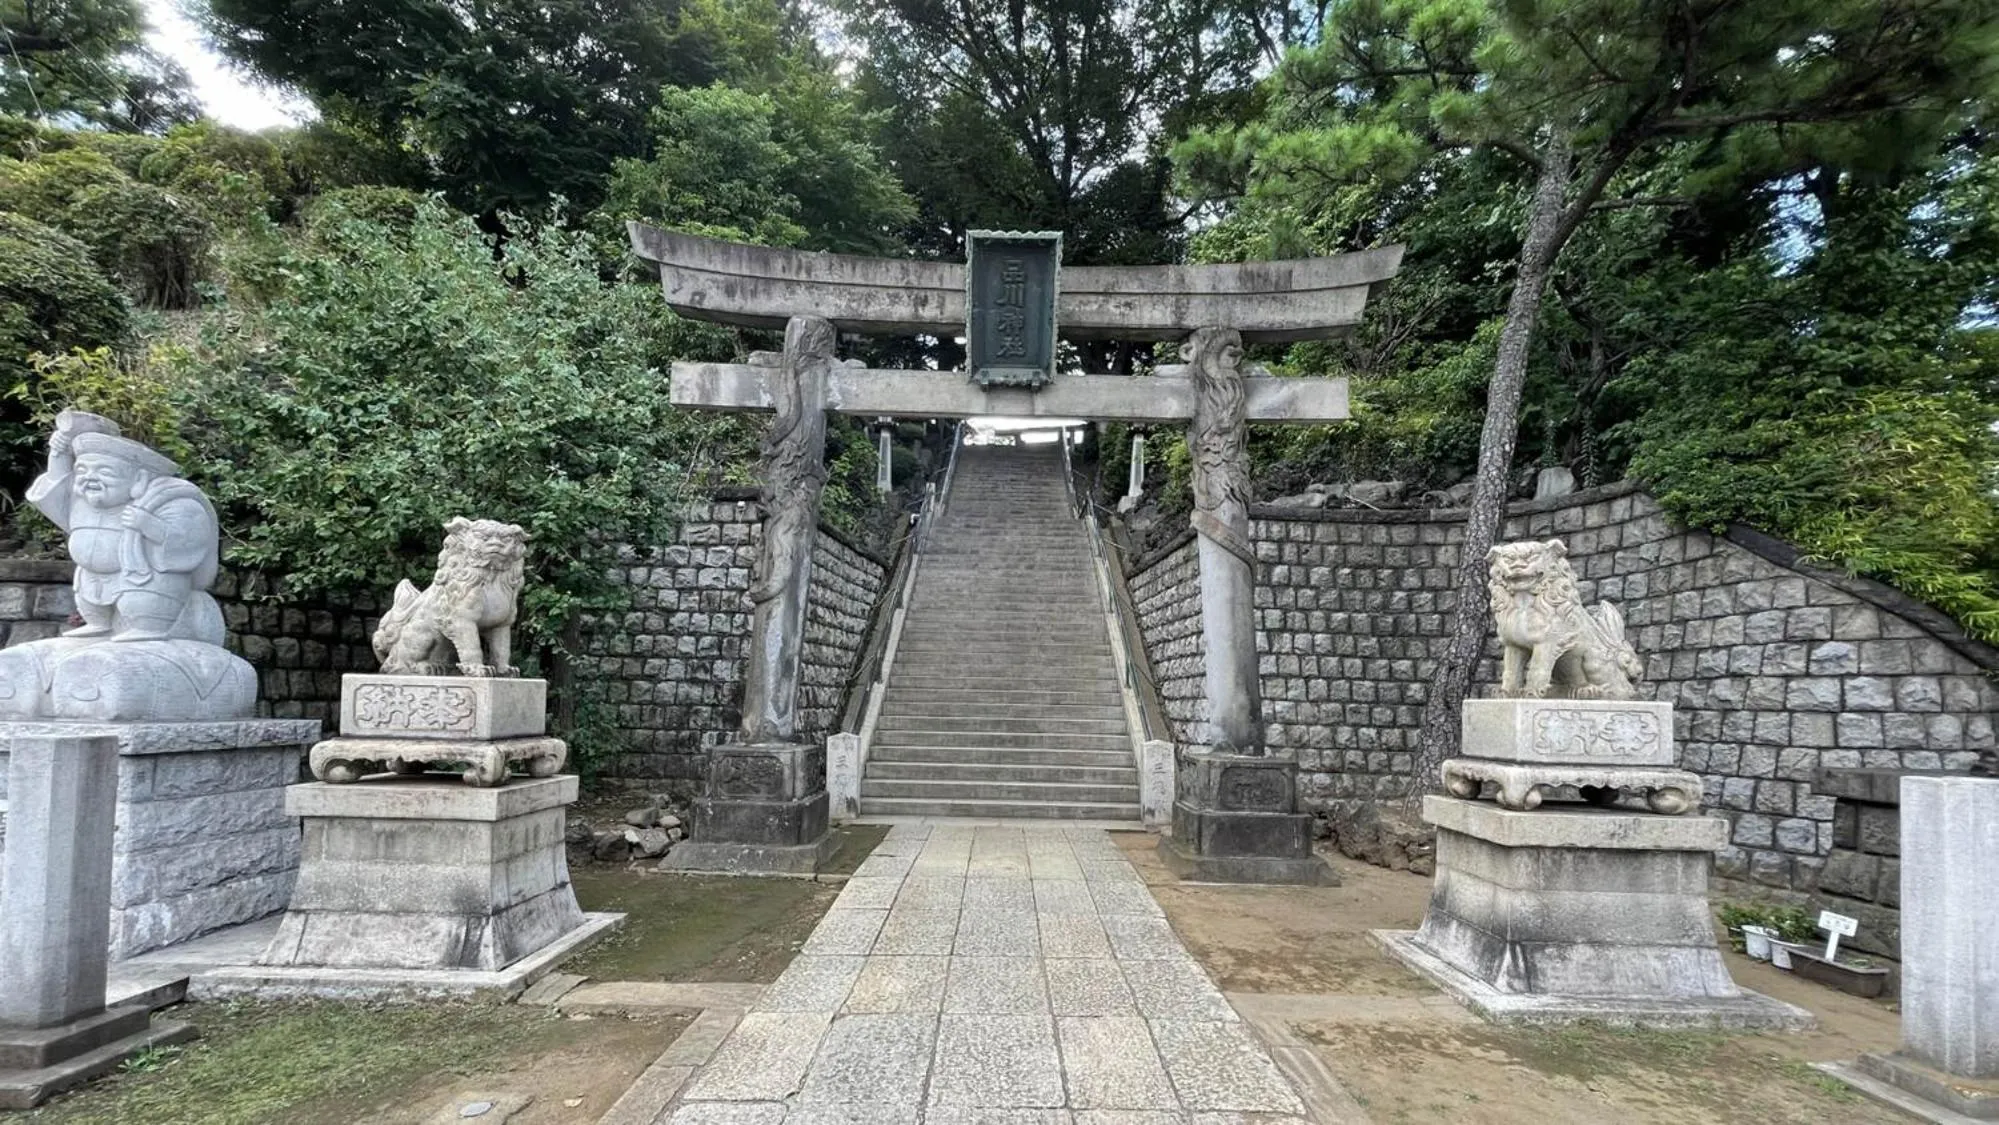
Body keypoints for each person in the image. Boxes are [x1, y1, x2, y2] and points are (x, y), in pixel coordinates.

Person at [25, 420, 221, 643]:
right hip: (92, 577)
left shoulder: (168, 500)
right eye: (82, 469)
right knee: (89, 594)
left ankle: (149, 627)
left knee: (144, 600)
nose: (90, 477)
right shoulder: (83, 501)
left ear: (138, 479)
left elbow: (189, 539)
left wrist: (149, 525)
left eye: (104, 471)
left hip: (141, 578)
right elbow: (56, 490)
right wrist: (59, 453)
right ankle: (97, 622)